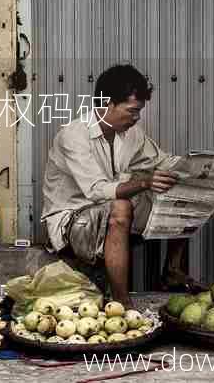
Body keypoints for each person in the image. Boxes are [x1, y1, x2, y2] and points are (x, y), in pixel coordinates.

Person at [40, 64, 200, 307]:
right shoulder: (73, 135)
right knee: (122, 206)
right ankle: (122, 303)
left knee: (179, 191)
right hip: (74, 221)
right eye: (132, 110)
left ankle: (173, 272)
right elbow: (96, 190)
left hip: (108, 211)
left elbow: (163, 161)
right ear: (107, 104)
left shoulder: (130, 133)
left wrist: (203, 168)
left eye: (139, 112)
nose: (136, 118)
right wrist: (145, 181)